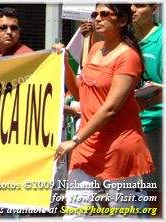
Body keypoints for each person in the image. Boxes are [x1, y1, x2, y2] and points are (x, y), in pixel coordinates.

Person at [53, 4, 154, 218]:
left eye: (105, 14)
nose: (97, 18)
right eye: (95, 14)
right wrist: (63, 63)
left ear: (123, 21)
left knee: (121, 214)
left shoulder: (128, 57)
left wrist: (75, 139)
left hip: (118, 145)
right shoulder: (95, 48)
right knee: (74, 212)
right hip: (87, 145)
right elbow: (82, 94)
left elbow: (110, 108)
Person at [131, 3, 163, 217]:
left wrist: (148, 103)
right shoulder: (124, 38)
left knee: (156, 190)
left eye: (140, 5)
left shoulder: (163, 40)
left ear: (153, 9)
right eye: (130, 4)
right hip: (125, 125)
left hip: (155, 124)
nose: (132, 9)